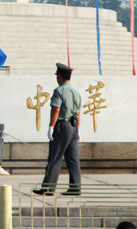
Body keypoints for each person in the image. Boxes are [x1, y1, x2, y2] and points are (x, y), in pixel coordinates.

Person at [33, 63, 82, 196]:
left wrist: (51, 127)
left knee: (55, 157)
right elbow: (78, 112)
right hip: (72, 127)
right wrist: (78, 129)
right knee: (73, 160)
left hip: (62, 126)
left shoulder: (59, 91)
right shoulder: (76, 92)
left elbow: (56, 109)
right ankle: (75, 187)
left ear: (59, 76)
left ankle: (48, 188)